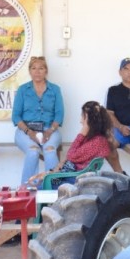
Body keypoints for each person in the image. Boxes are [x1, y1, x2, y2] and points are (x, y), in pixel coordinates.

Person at [28, 101, 112, 189]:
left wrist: (82, 134)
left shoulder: (97, 141)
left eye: (83, 117)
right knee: (36, 185)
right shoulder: (95, 139)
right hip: (73, 176)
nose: (80, 121)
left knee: (37, 191)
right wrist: (49, 172)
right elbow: (70, 158)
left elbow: (71, 155)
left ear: (89, 120)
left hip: (74, 180)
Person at [12, 56, 64, 185]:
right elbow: (16, 116)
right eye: (34, 68)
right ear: (29, 71)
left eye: (41, 68)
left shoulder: (55, 89)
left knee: (50, 151)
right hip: (26, 130)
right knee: (33, 151)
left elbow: (59, 114)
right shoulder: (23, 89)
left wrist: (50, 131)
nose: (37, 71)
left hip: (49, 129)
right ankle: (27, 187)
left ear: (46, 71)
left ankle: (53, 188)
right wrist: (30, 133)